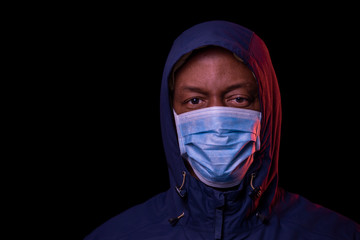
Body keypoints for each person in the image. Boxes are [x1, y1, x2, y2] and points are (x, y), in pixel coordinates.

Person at [84, 20, 359, 239]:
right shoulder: (117, 235)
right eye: (195, 101)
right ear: (171, 114)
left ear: (268, 108)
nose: (216, 121)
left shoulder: (336, 234)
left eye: (238, 99)